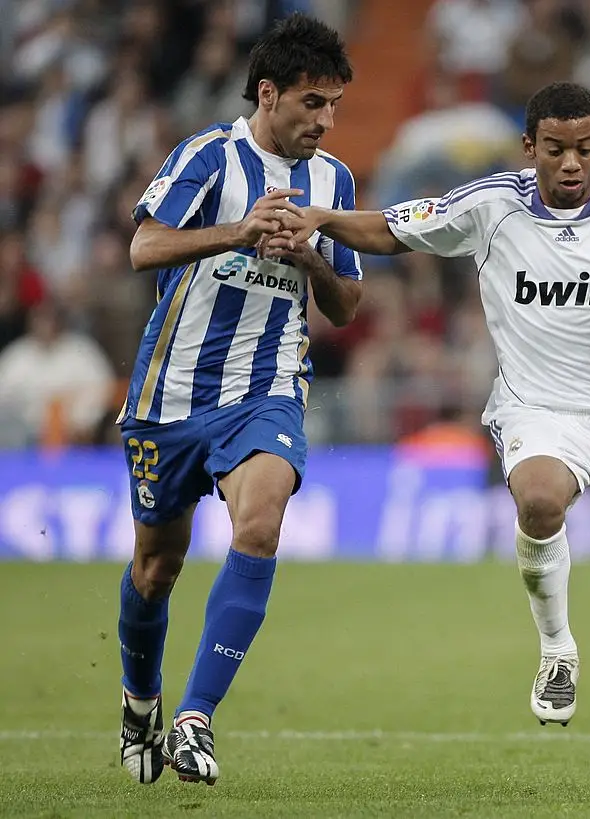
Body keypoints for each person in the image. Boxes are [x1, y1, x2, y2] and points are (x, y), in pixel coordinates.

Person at [268, 81, 590, 792]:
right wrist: (322, 220)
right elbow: (394, 228)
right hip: (536, 406)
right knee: (541, 498)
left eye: (584, 148)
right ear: (531, 148)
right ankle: (557, 650)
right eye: (556, 149)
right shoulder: (491, 205)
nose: (572, 163)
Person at [117, 13, 361, 786]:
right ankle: (140, 699)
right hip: (170, 392)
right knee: (157, 568)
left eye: (334, 106)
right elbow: (143, 247)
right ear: (269, 93)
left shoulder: (335, 181)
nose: (324, 121)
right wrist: (238, 232)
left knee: (259, 524)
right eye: (312, 103)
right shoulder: (208, 156)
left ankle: (195, 717)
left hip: (266, 390)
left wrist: (312, 256)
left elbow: (348, 305)